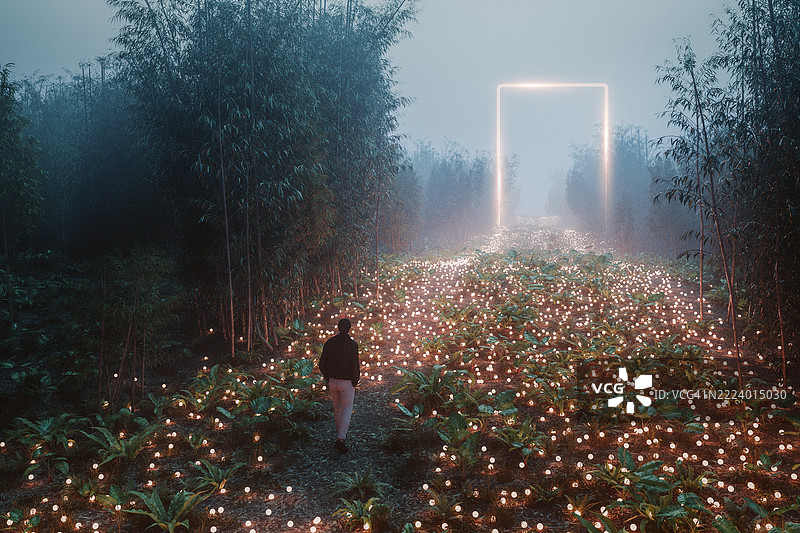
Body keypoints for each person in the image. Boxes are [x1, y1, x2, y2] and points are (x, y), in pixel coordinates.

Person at [318, 317, 360, 453]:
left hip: (333, 380)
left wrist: (327, 376)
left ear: (338, 327)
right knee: (347, 409)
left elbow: (322, 363)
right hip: (346, 381)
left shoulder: (329, 343)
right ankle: (341, 438)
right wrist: (355, 380)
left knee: (337, 408)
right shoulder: (352, 345)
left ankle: (339, 436)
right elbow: (355, 365)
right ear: (349, 329)